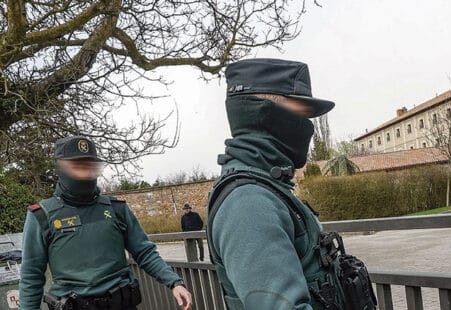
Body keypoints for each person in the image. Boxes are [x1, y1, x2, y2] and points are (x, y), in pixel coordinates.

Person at [207, 59, 376, 310]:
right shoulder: (249, 205)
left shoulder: (268, 189)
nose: (307, 125)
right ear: (263, 112)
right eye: (298, 112)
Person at [19, 136, 193, 310]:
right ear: (61, 169)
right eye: (77, 166)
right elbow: (31, 276)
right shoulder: (42, 215)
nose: (85, 173)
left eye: (90, 166)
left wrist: (174, 282)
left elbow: (145, 252)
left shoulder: (116, 209)